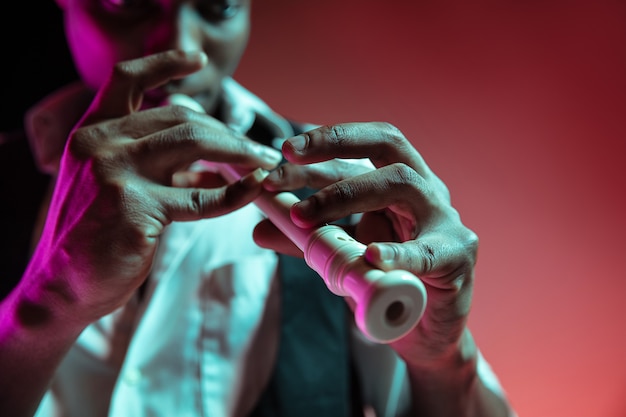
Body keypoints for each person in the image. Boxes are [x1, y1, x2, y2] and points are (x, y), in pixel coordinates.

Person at [0, 0, 518, 416]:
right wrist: (47, 303)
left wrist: (444, 360)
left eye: (219, 6)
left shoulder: (346, 188)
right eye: (129, 3)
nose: (182, 47)